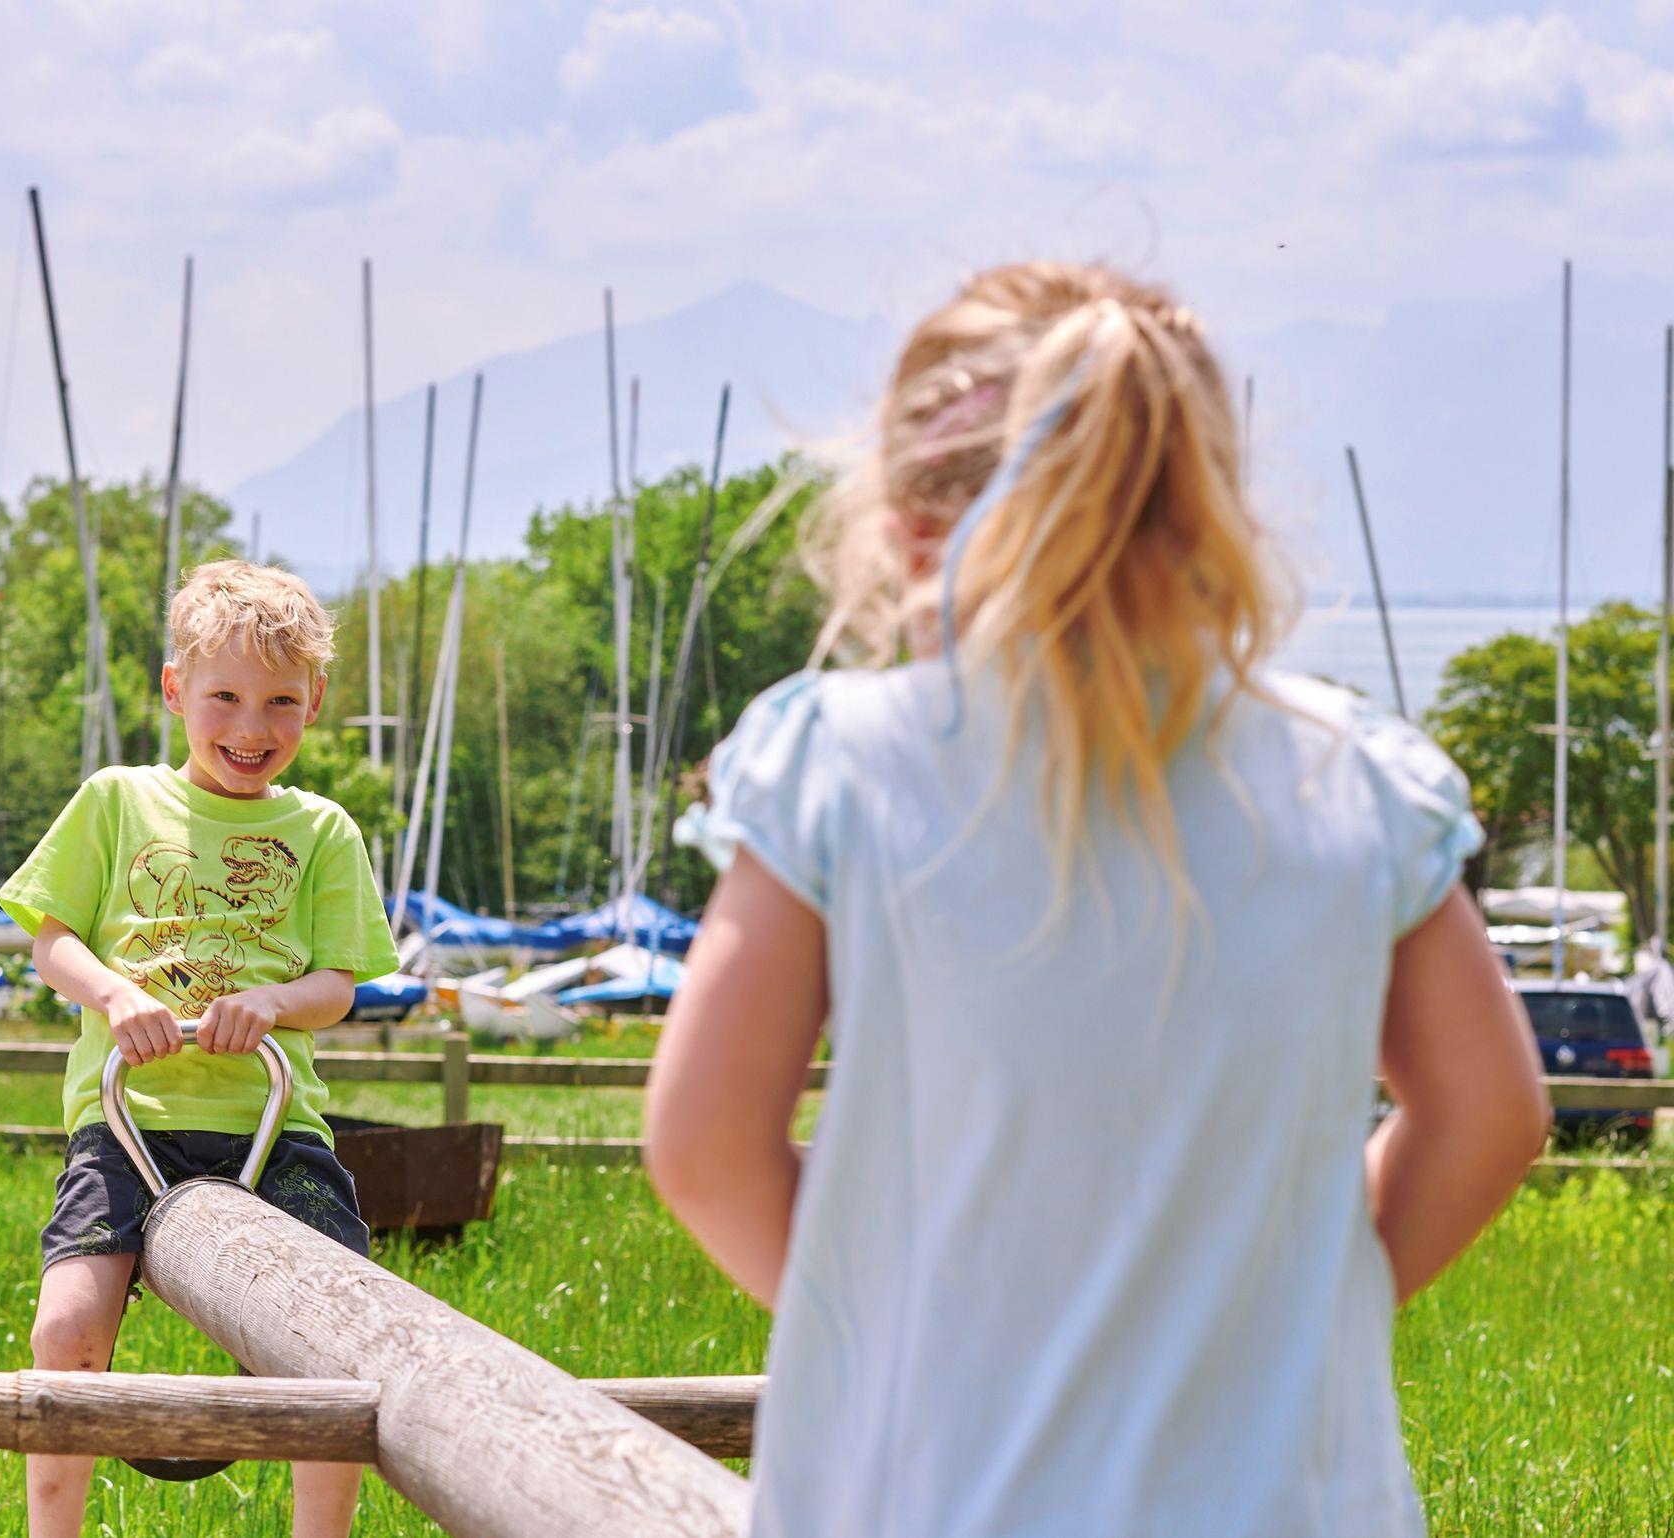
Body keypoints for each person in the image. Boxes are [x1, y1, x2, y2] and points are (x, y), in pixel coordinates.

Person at [645, 263, 1551, 1537]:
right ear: (1208, 512)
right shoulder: (1352, 780)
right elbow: (1488, 1114)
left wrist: (891, 1342)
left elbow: (702, 1141)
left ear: (907, 524)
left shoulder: (845, 764)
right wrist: (1288, 1331)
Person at [0, 559, 398, 1538]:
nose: (251, 727)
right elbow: (52, 939)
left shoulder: (322, 830)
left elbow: (338, 986)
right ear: (176, 689)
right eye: (224, 696)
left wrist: (271, 1000)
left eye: (280, 702)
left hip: (273, 1125)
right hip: (131, 1120)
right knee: (66, 1327)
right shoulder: (115, 800)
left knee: (336, 1336)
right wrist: (116, 993)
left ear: (315, 702)